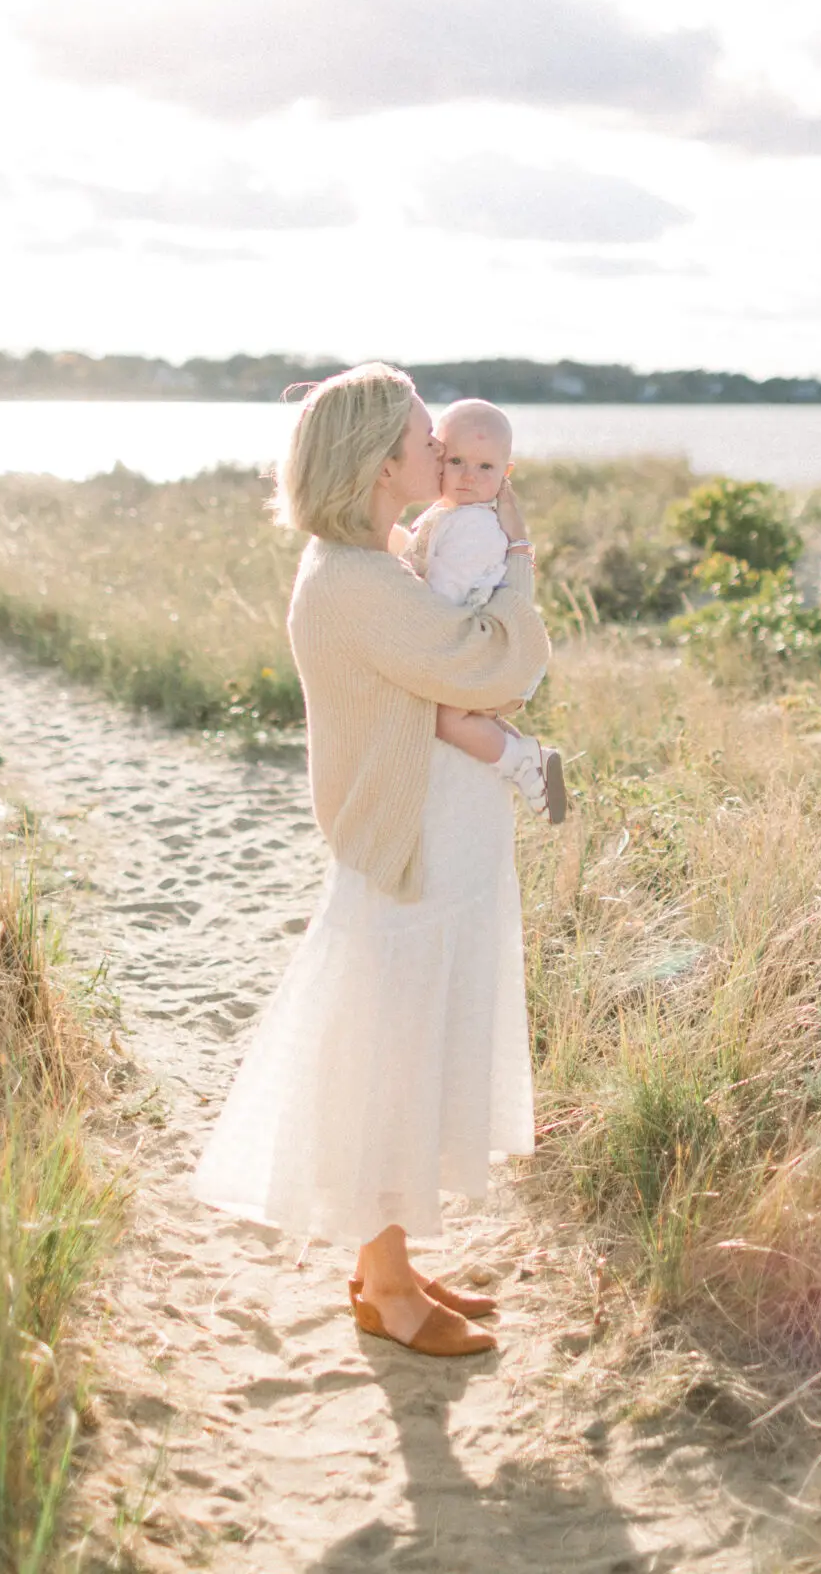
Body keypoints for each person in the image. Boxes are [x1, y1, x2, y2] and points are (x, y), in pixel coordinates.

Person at [192, 363, 552, 1358]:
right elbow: (503, 665)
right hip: (411, 855)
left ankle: (387, 1266)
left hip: (431, 846)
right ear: (381, 461)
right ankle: (385, 1288)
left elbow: (466, 673)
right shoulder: (357, 582)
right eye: (425, 438)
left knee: (407, 1051)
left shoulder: (377, 561)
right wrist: (520, 555)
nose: (442, 452)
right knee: (390, 1061)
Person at [398, 398, 566, 824]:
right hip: (486, 643)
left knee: (448, 718)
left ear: (505, 474)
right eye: (456, 461)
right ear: (438, 455)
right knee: (473, 717)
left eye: (485, 467)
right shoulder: (452, 514)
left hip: (484, 647)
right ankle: (534, 762)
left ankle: (523, 762)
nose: (468, 476)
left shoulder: (473, 526)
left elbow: (444, 598)